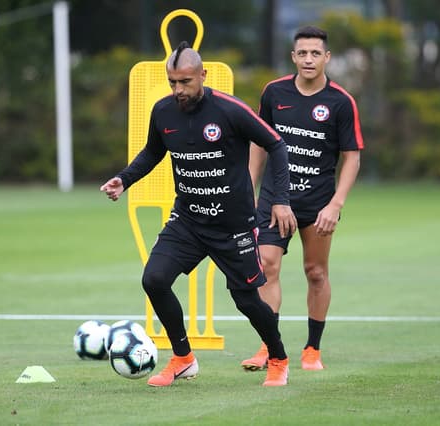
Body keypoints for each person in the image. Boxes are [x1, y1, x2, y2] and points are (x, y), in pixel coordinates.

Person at [101, 41, 297, 387]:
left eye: (185, 82)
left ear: (202, 75)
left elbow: (276, 144)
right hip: (188, 220)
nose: (178, 90)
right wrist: (124, 179)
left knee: (245, 299)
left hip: (232, 225)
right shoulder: (163, 112)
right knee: (154, 279)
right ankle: (183, 358)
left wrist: (280, 199)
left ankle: (278, 357)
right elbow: (152, 152)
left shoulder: (230, 110)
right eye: (173, 82)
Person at [241, 26, 364, 372]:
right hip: (273, 198)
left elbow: (351, 157)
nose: (308, 59)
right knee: (266, 266)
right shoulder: (273, 93)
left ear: (327, 58)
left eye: (315, 53)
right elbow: (258, 143)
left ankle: (312, 348)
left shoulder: (341, 102)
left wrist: (335, 204)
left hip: (317, 203)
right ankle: (268, 347)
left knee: (316, 272)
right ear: (293, 56)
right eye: (302, 53)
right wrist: (249, 189)